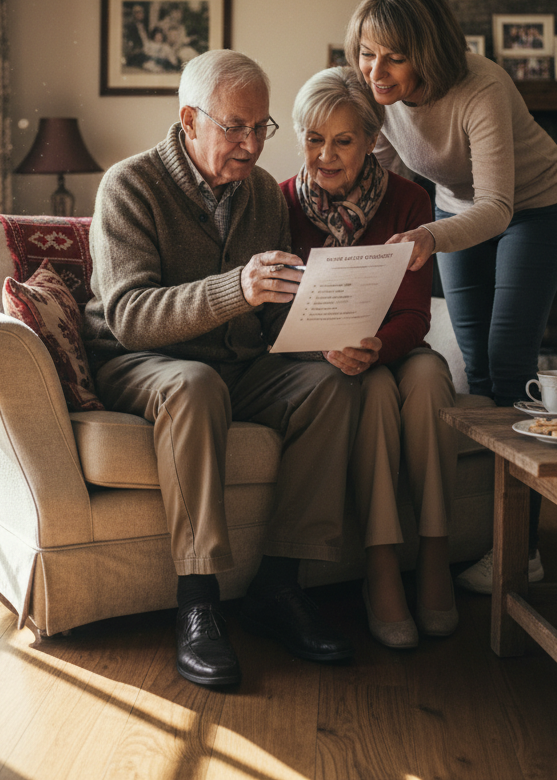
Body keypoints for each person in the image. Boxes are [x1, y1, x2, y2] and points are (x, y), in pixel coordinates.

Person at [84, 48, 361, 688]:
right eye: (234, 127)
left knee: (329, 385)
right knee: (195, 383)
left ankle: (279, 585)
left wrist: (326, 342)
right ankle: (199, 599)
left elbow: (269, 321)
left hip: (237, 365)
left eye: (261, 128)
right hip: (142, 363)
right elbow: (128, 314)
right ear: (189, 120)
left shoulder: (263, 194)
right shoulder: (128, 185)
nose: (251, 145)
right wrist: (237, 288)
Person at [344, 0, 557, 595]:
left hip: (533, 208)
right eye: (367, 52)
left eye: (394, 55)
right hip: (452, 208)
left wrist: (424, 238)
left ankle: (522, 549)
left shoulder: (482, 86)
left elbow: (498, 205)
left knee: (508, 362)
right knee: (475, 374)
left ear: (429, 50)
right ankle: (490, 532)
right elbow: (385, 169)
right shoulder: (374, 93)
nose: (376, 70)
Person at [280, 67, 458, 648]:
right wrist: (332, 347)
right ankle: (381, 568)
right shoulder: (279, 202)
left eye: (342, 140)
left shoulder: (410, 200)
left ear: (371, 141)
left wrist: (380, 346)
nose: (324, 155)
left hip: (395, 345)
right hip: (323, 358)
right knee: (375, 391)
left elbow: (416, 313)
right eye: (313, 139)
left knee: (430, 374)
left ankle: (434, 556)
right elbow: (275, 309)